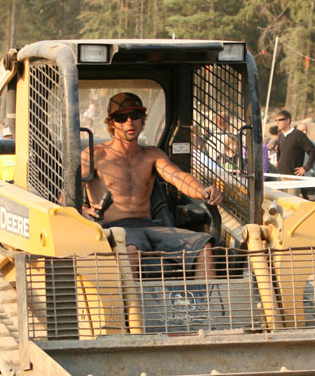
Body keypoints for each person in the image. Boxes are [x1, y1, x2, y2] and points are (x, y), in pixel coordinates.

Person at [81, 92, 222, 279]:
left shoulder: (152, 155)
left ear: (142, 120)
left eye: (135, 116)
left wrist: (204, 191)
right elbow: (67, 195)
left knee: (203, 246)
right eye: (122, 117)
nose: (130, 123)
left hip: (151, 226)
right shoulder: (94, 155)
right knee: (130, 250)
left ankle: (204, 306)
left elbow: (178, 177)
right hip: (117, 229)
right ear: (112, 122)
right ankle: (126, 309)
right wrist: (82, 210)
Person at [275, 109, 315, 200]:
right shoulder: (281, 136)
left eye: (280, 120)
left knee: (292, 205)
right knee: (280, 205)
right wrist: (278, 161)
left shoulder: (298, 135)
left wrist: (305, 168)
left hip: (293, 178)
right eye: (276, 120)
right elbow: (279, 151)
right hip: (281, 177)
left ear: (288, 120)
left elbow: (313, 151)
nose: (277, 122)